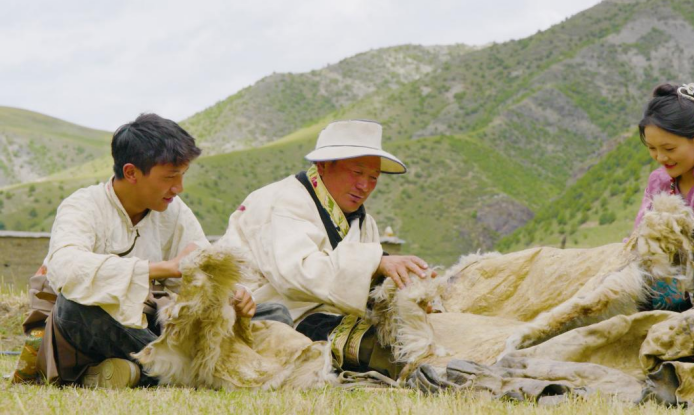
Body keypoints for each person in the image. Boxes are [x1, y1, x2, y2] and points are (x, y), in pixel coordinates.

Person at [34, 113, 290, 388]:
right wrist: (163, 269)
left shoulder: (174, 211)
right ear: (131, 172)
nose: (179, 188)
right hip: (93, 329)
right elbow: (66, 269)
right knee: (75, 305)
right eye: (170, 177)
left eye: (182, 175)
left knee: (274, 312)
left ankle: (143, 372)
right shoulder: (82, 205)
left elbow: (200, 268)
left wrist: (234, 296)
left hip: (149, 324)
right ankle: (190, 372)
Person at [219, 119, 434, 378]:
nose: (364, 186)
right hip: (264, 314)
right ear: (323, 166)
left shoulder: (364, 222)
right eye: (357, 173)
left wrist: (405, 290)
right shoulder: (282, 201)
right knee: (379, 350)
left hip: (326, 318)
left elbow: (363, 285)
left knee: (409, 333)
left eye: (373, 178)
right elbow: (296, 273)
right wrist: (375, 263)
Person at [634, 82, 694, 229]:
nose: (660, 158)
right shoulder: (657, 181)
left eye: (669, 149)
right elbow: (639, 233)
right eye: (652, 148)